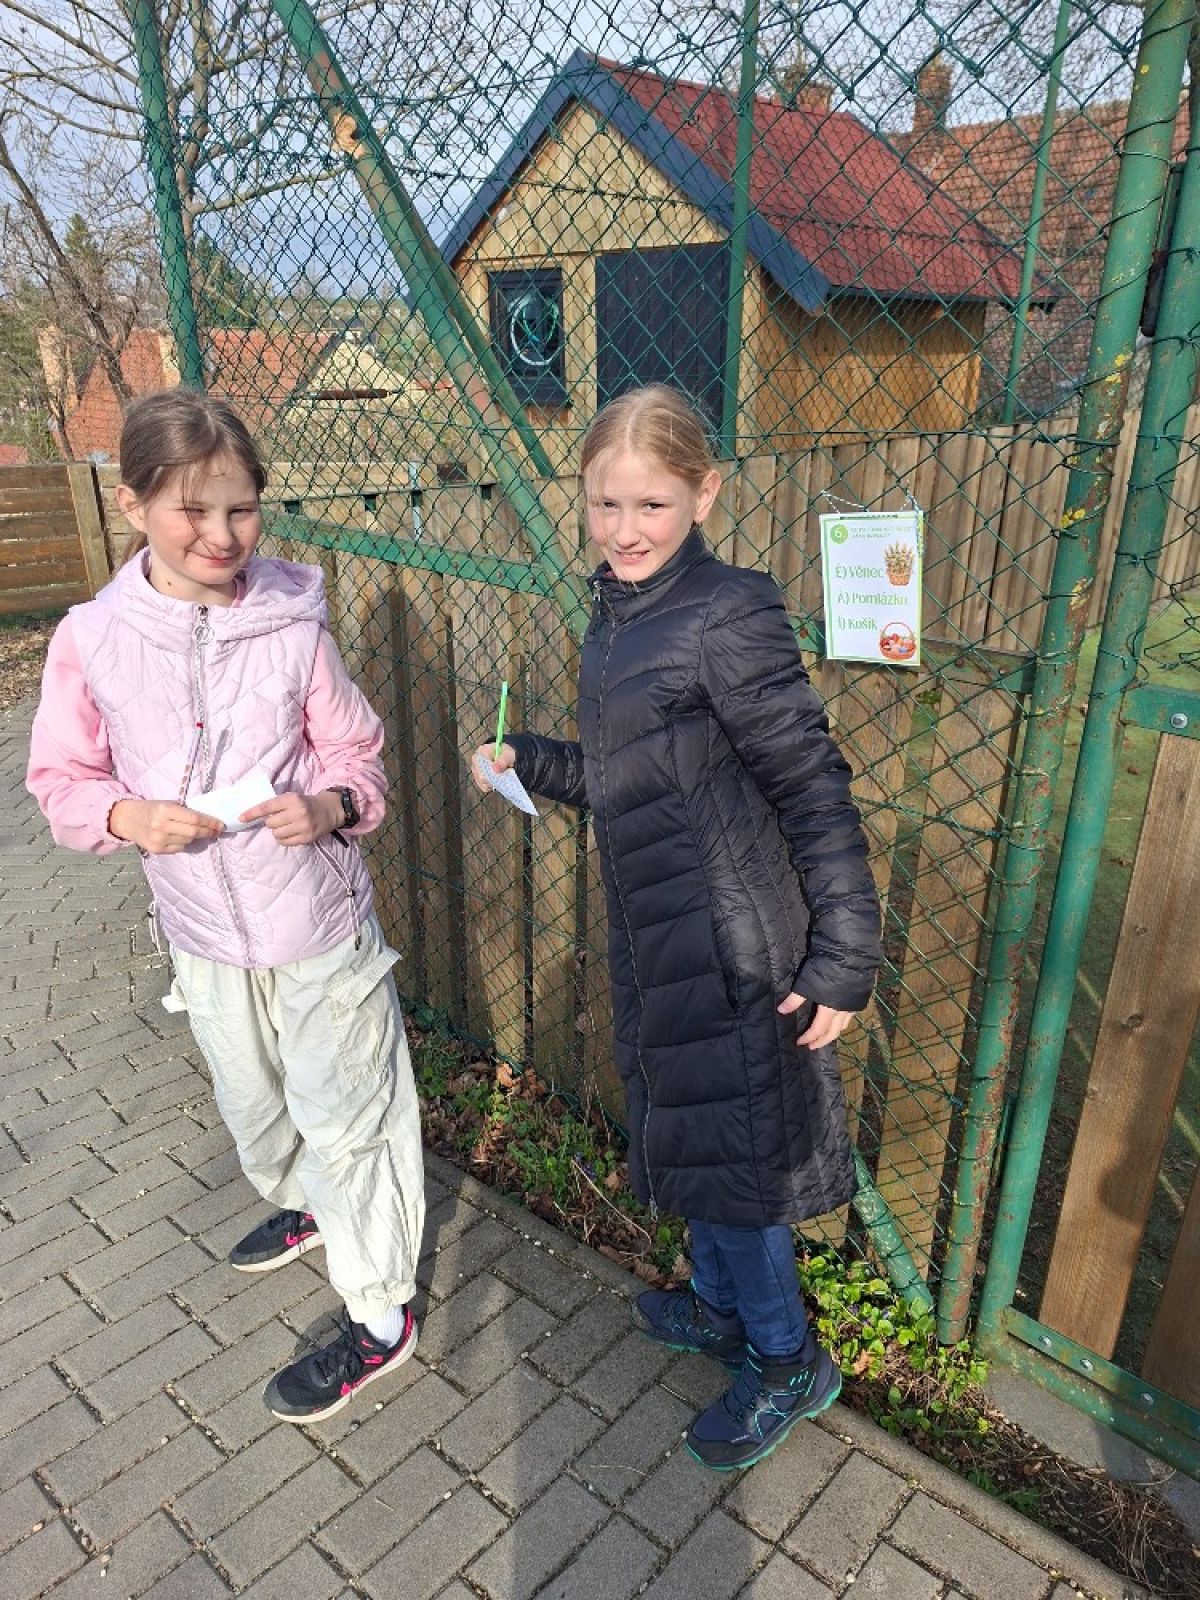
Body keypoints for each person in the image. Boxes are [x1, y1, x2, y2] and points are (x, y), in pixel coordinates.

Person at [471, 384, 881, 1471]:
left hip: (735, 948)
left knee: (739, 1173)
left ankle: (789, 1361)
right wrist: (533, 762)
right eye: (605, 503)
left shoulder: (726, 613)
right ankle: (719, 1307)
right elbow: (634, 774)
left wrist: (845, 956)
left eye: (650, 504)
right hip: (660, 935)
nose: (624, 529)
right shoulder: (619, 611)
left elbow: (813, 788)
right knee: (693, 1138)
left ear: (705, 494)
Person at [27, 389, 424, 1424]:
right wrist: (125, 816)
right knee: (257, 1110)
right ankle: (304, 1205)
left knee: (352, 1123)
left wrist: (329, 806)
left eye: (241, 509)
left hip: (319, 929)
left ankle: (379, 1311)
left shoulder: (294, 623)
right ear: (133, 505)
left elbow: (357, 758)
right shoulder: (92, 639)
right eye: (191, 510)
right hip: (204, 938)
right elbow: (60, 779)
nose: (220, 534)